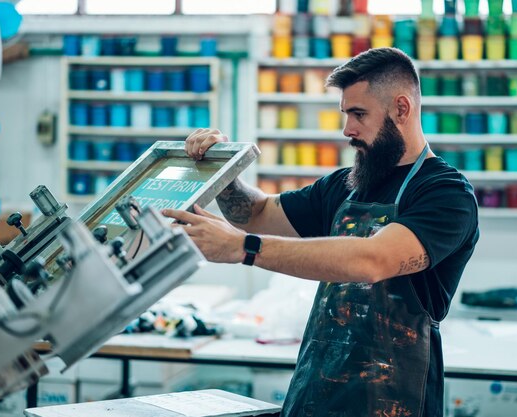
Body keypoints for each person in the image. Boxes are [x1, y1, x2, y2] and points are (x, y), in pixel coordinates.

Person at [163, 47, 479, 417]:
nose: (348, 129)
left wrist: (245, 249)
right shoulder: (347, 185)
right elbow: (259, 213)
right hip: (316, 397)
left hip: (393, 403)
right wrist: (223, 170)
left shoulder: (445, 193)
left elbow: (372, 260)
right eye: (346, 114)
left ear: (401, 109)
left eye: (359, 114)